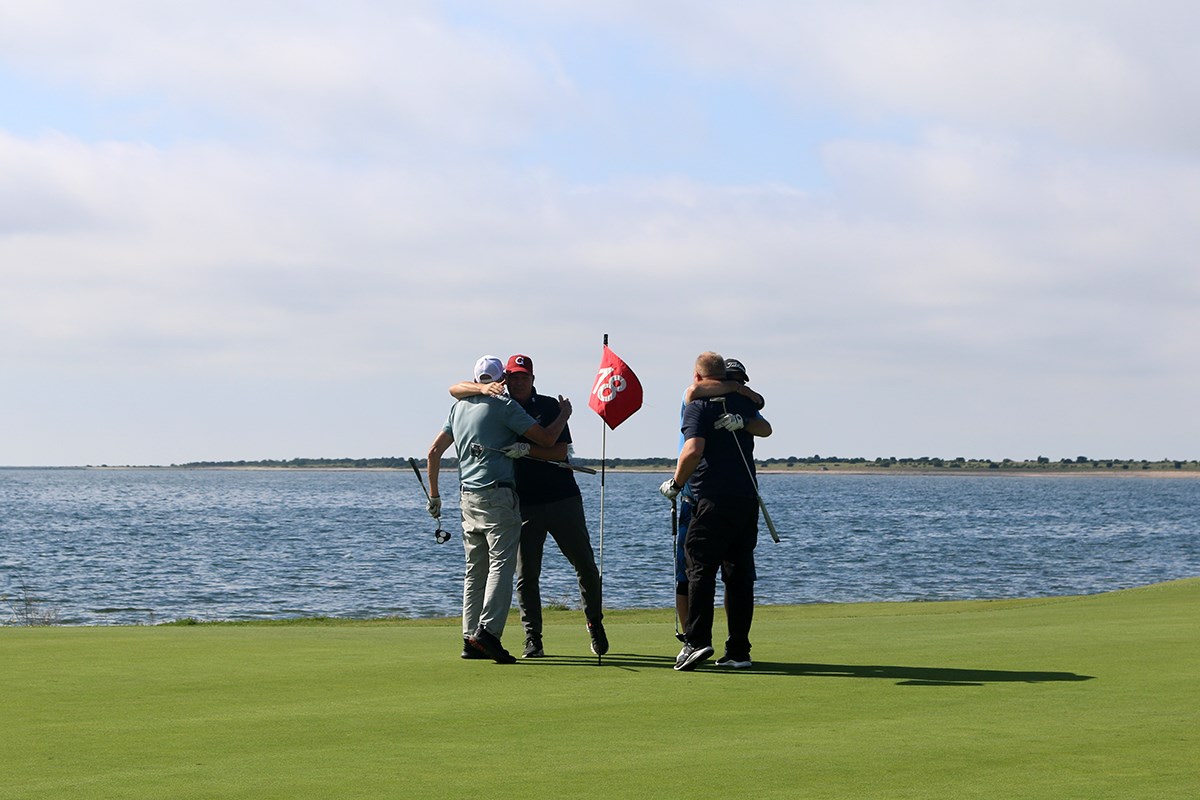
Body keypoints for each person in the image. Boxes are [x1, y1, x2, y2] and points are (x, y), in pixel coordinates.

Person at [450, 354, 607, 658]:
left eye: (525, 376)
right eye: (514, 376)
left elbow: (559, 449)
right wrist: (482, 390)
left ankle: (594, 624)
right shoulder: (496, 403)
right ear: (504, 379)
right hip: (523, 503)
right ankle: (533, 638)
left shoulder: (548, 406)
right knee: (526, 575)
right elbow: (455, 388)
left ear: (533, 379)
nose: (520, 381)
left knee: (585, 566)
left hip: (562, 498)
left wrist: (529, 447)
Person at [426, 355, 573, 664]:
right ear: (500, 379)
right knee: (501, 567)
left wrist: (435, 497)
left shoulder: (459, 407)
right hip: (498, 496)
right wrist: (563, 414)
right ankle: (488, 634)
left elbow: (433, 452)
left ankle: (469, 639)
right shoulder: (505, 406)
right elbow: (547, 438)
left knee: (474, 570)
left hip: (467, 498)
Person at [660, 351, 772, 671]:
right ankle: (738, 650)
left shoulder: (697, 405)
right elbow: (764, 422)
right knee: (738, 574)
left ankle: (696, 642)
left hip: (711, 498)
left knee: (699, 568)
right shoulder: (740, 400)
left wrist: (676, 483)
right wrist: (742, 409)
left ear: (697, 376)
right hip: (746, 498)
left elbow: (693, 449)